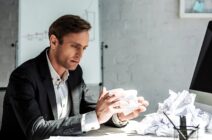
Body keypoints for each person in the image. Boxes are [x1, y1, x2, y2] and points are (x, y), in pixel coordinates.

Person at [0, 15, 149, 140]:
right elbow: (36, 130)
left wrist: (117, 114)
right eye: (74, 46)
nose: (80, 54)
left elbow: (89, 110)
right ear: (54, 42)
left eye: (83, 48)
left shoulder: (75, 73)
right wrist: (96, 117)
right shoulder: (23, 77)